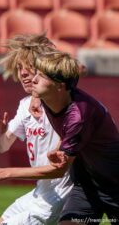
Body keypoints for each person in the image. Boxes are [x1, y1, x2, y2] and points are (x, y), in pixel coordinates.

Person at [0, 34, 73, 225]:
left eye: (29, 67)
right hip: (40, 192)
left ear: (44, 68)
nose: (22, 73)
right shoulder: (24, 106)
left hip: (59, 195)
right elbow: (2, 147)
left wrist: (5, 172)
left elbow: (58, 169)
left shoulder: (59, 107)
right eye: (20, 67)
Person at [31, 51, 119, 225]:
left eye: (41, 76)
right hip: (87, 186)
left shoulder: (78, 116)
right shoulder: (50, 95)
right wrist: (59, 146)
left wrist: (5, 172)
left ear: (60, 86)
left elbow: (58, 170)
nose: (33, 79)